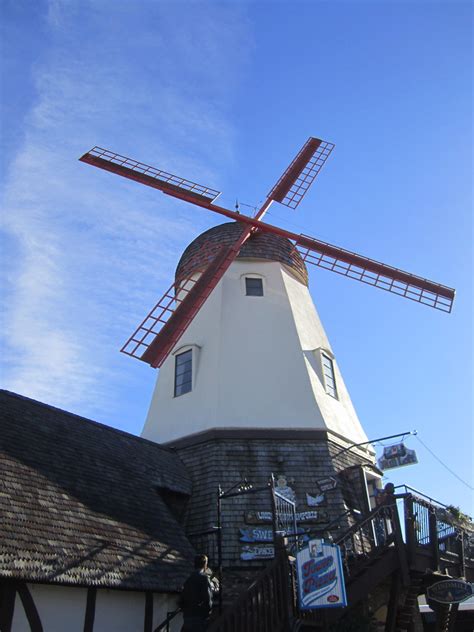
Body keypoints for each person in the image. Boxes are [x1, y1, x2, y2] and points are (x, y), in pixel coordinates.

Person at [180, 554, 219, 632]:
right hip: (199, 618)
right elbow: (208, 599)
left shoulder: (188, 579)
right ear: (205, 564)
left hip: (187, 617)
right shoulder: (204, 578)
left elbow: (182, 599)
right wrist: (207, 614)